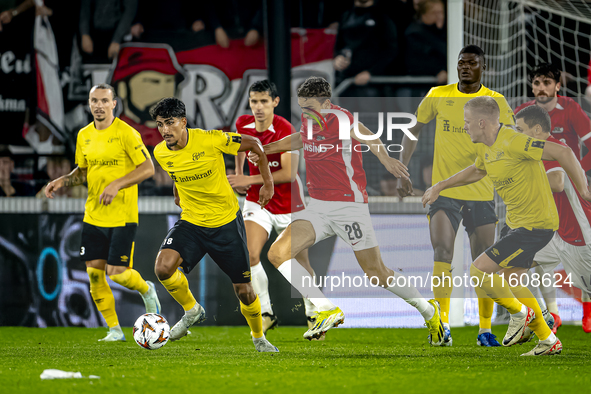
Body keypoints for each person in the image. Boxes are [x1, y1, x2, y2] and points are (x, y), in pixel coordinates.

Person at [250, 76, 445, 344]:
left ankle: (429, 312)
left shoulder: (343, 119)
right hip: (317, 207)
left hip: (348, 207)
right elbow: (299, 138)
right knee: (276, 253)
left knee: (377, 273)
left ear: (327, 104)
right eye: (302, 109)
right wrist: (266, 149)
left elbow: (371, 138)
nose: (306, 114)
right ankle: (326, 309)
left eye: (311, 108)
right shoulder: (309, 120)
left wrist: (387, 159)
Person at [422, 96, 591, 355]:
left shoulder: (514, 141)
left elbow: (564, 152)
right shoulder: (484, 147)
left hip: (535, 225)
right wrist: (440, 186)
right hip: (515, 224)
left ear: (481, 123)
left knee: (479, 272)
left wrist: (584, 190)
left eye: (467, 122)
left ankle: (524, 314)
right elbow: (478, 170)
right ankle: (548, 340)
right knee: (510, 282)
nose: (464, 127)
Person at [398, 45, 515, 347]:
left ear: (482, 67)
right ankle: (442, 324)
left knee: (483, 262)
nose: (464, 67)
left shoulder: (496, 102)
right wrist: (402, 169)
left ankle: (485, 329)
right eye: (461, 63)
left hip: (481, 190)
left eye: (471, 63)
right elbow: (414, 129)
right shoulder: (438, 94)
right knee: (442, 252)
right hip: (443, 191)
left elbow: (512, 141)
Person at [150, 97, 279, 353]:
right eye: (160, 124)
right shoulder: (160, 152)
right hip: (192, 222)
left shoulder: (211, 139)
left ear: (183, 122)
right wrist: (177, 192)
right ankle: (192, 310)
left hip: (225, 224)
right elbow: (178, 172)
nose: (165, 130)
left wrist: (267, 183)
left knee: (244, 290)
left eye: (170, 123)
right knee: (163, 268)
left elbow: (254, 143)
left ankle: (258, 337)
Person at [44, 84, 161, 342]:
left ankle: (147, 289)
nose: (98, 105)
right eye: (94, 100)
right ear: (89, 104)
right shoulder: (84, 135)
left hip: (122, 215)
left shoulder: (127, 133)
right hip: (93, 216)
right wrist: (63, 180)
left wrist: (117, 184)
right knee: (94, 274)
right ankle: (114, 330)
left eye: (104, 101)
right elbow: (83, 171)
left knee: (116, 272)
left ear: (114, 104)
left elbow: (148, 168)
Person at [227, 80, 319, 334]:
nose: (258, 107)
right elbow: (240, 147)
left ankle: (314, 314)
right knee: (250, 254)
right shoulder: (242, 123)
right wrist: (238, 172)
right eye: (254, 101)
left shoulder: (286, 130)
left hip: (291, 204)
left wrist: (248, 178)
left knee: (300, 262)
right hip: (259, 201)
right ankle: (266, 312)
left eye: (264, 102)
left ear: (275, 103)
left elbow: (289, 174)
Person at [515, 63, 591, 332]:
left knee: (583, 252)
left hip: (570, 193)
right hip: (541, 194)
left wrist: (577, 171)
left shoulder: (570, 108)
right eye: (537, 83)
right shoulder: (523, 114)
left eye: (547, 82)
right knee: (540, 253)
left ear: (558, 85)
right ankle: (552, 314)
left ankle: (587, 310)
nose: (541, 88)